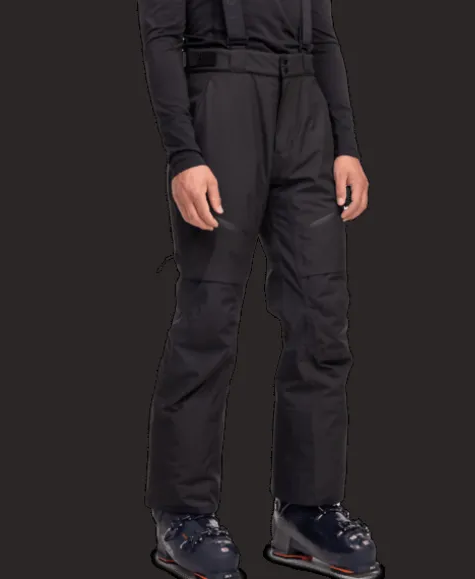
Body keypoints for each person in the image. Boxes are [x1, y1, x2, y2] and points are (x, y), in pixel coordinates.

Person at [138, 1, 383, 578]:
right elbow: (160, 38)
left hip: (306, 111)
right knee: (209, 318)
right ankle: (182, 514)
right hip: (221, 104)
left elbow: (323, 37)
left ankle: (306, 511)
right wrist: (183, 154)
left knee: (322, 317)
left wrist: (346, 143)